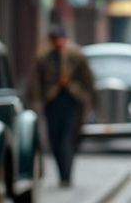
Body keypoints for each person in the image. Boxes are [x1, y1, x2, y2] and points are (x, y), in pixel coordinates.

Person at [28, 23, 95, 187]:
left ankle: (66, 175)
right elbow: (36, 82)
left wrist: (86, 98)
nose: (58, 42)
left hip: (72, 100)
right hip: (52, 101)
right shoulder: (44, 57)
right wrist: (37, 101)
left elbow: (87, 79)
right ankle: (61, 172)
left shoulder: (76, 55)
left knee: (68, 138)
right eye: (54, 39)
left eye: (60, 38)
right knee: (54, 139)